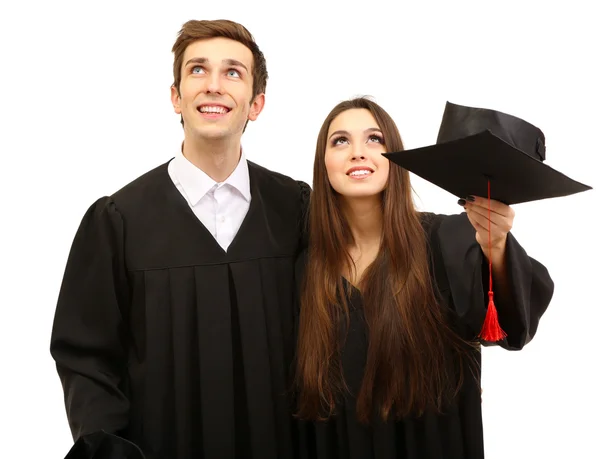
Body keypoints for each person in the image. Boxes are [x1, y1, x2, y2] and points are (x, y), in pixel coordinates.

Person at [50, 19, 310, 459]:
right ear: (176, 97)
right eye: (197, 70)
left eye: (233, 72)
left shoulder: (296, 209)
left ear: (256, 103)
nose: (213, 85)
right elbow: (88, 359)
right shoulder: (119, 220)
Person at [293, 96, 555, 458]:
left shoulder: (445, 241)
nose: (358, 152)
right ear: (323, 164)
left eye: (374, 139)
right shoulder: (307, 268)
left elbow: (512, 328)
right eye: (340, 141)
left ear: (393, 158)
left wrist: (495, 246)